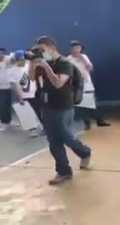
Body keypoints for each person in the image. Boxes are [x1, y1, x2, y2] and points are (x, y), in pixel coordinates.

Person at [28, 36, 92, 185]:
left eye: (42, 49)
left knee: (66, 136)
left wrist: (45, 67)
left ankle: (85, 152)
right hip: (47, 106)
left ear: (51, 47)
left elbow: (58, 83)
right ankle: (63, 171)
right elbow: (31, 78)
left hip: (63, 106)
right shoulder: (43, 63)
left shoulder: (65, 63)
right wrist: (33, 63)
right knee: (53, 140)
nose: (41, 53)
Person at [67, 40, 110, 130]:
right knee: (81, 104)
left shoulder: (84, 57)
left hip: (87, 82)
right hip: (76, 84)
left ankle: (100, 120)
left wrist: (82, 59)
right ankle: (87, 123)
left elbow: (90, 68)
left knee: (93, 102)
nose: (76, 49)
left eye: (78, 47)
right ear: (71, 49)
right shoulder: (68, 59)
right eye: (74, 47)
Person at [0, 48, 12, 131]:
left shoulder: (8, 60)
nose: (0, 55)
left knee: (4, 105)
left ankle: (5, 122)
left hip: (6, 87)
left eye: (1, 53)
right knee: (3, 106)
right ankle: (5, 121)